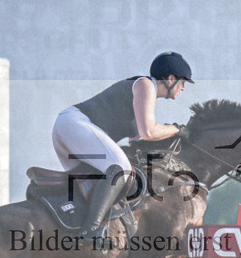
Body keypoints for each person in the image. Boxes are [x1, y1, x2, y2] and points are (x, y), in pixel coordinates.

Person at [51, 51, 194, 242]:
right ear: (170, 79)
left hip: (67, 129)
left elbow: (137, 140)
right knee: (121, 169)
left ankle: (72, 227)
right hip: (74, 124)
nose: (183, 88)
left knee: (93, 182)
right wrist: (177, 129)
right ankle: (91, 232)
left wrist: (174, 138)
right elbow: (148, 132)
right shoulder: (146, 85)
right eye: (183, 83)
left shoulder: (141, 94)